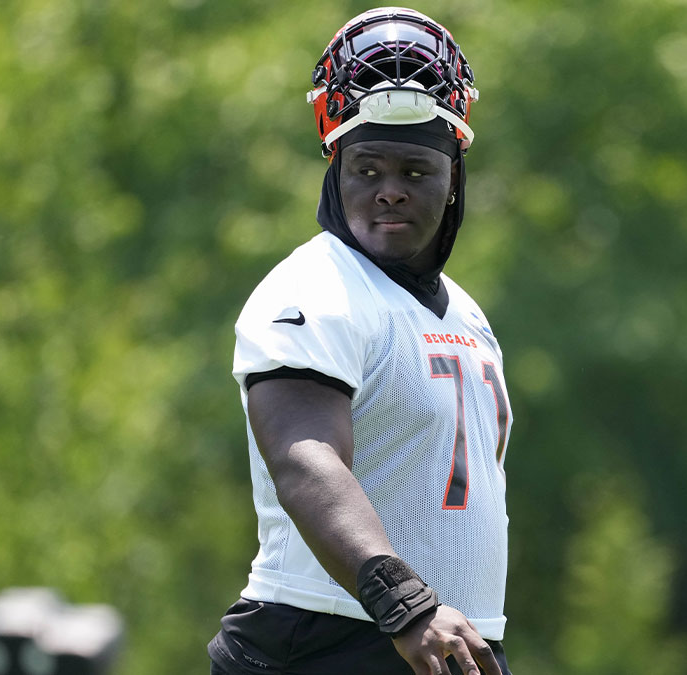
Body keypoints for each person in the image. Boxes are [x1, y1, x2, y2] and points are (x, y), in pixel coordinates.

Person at [208, 8, 513, 675]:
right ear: (335, 169)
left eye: (414, 171)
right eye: (368, 169)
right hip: (330, 640)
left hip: (443, 642)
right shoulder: (314, 288)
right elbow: (304, 458)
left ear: (455, 174)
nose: (390, 192)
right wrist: (404, 601)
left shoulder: (464, 312)